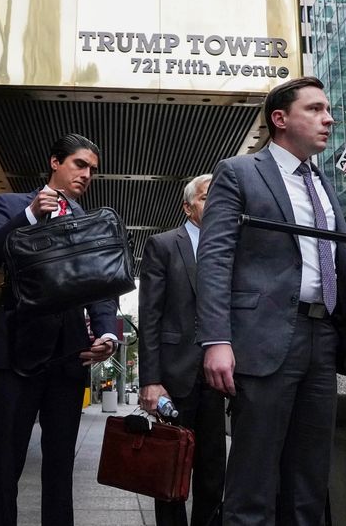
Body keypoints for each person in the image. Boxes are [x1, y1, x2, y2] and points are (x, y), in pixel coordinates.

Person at [196, 76, 346, 525]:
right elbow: (213, 259)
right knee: (252, 484)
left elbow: (328, 255)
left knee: (308, 484)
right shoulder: (239, 172)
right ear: (280, 119)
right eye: (315, 109)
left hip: (323, 339)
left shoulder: (323, 183)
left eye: (328, 110)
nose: (328, 119)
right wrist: (216, 339)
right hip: (263, 341)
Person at [0, 133, 118, 526]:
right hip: (17, 353)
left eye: (92, 169)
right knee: (5, 464)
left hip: (69, 357)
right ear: (55, 162)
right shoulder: (11, 205)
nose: (87, 175)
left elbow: (100, 286)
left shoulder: (87, 222)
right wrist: (28, 217)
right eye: (80, 164)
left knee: (59, 467)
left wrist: (107, 334)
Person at [138, 174, 226, 526]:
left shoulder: (229, 247)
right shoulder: (163, 245)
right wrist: (151, 380)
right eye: (207, 197)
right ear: (188, 207)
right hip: (174, 378)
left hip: (218, 377)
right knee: (171, 473)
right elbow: (150, 317)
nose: (215, 203)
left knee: (212, 474)